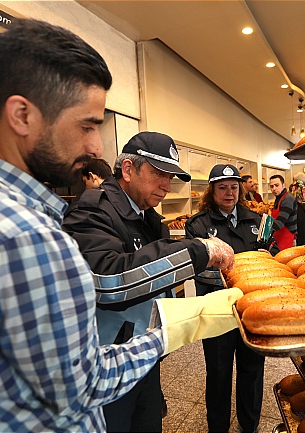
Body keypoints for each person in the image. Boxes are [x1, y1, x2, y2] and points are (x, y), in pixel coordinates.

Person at [0, 19, 239, 432]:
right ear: (22, 115)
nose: (96, 147)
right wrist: (172, 331)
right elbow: (81, 384)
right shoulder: (25, 235)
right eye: (87, 125)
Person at [62, 131, 232, 432]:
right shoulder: (92, 212)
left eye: (170, 177)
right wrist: (197, 250)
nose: (166, 186)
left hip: (144, 355)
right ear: (128, 169)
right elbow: (109, 277)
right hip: (107, 365)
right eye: (158, 174)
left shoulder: (146, 216)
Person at [185, 164, 278, 433]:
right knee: (218, 371)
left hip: (251, 308)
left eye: (234, 187)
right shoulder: (198, 225)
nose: (229, 192)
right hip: (217, 309)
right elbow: (197, 270)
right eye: (222, 187)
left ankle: (249, 425)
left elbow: (269, 256)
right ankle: (218, 427)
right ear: (211, 191)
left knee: (252, 369)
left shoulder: (256, 221)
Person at [269, 174, 298, 250]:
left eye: (277, 185)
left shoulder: (288, 199)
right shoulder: (279, 198)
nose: (274, 188)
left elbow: (279, 223)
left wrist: (265, 230)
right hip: (279, 236)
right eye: (271, 186)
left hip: (286, 236)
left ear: (284, 185)